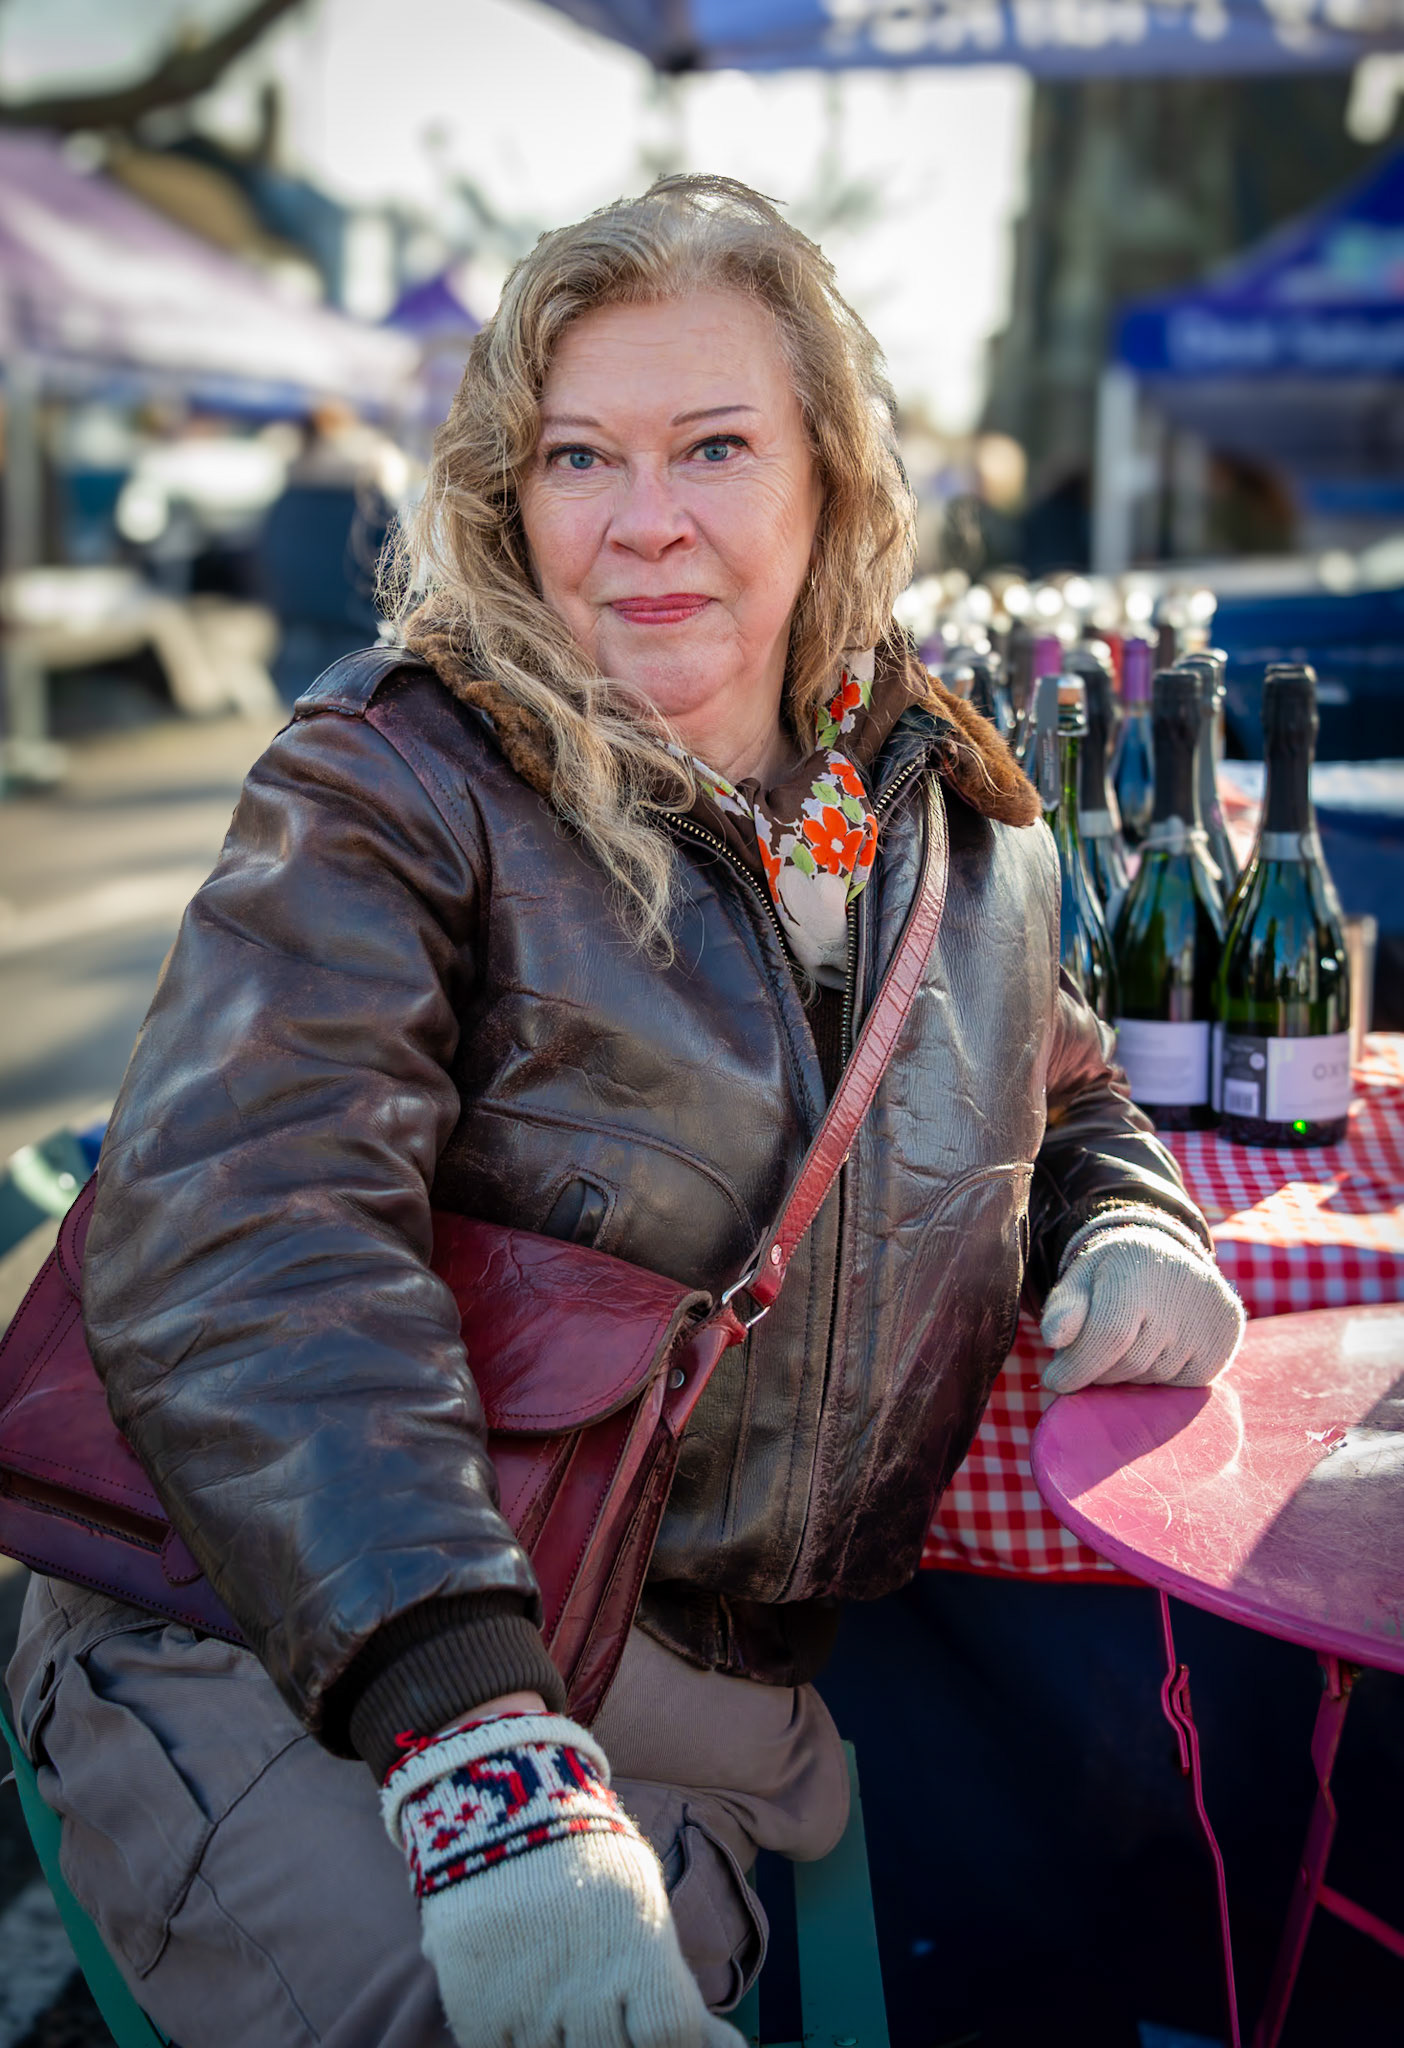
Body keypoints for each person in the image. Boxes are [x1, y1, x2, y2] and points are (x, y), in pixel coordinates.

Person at [6, 177, 1244, 2048]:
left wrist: (1127, 1216)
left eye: (717, 446)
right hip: (293, 1639)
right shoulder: (402, 778)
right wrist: (478, 1745)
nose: (645, 523)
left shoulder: (913, 829)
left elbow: (1055, 1086)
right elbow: (253, 1236)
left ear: (832, 479)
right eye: (581, 456)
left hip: (691, 1705)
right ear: (511, 495)